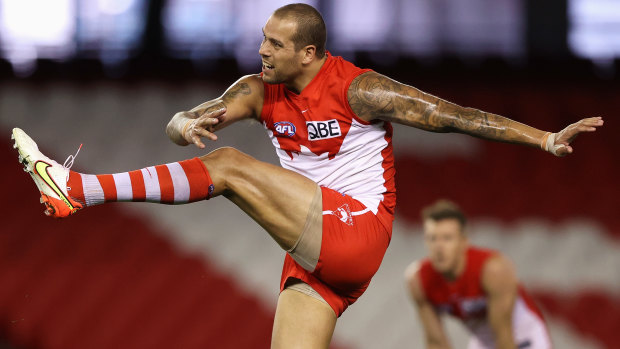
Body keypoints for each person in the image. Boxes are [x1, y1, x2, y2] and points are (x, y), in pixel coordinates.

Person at [12, 3, 601, 348]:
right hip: (316, 255)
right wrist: (181, 123)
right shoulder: (256, 89)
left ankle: (81, 190)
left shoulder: (357, 87)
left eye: (275, 44)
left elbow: (454, 117)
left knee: (228, 168)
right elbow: (189, 120)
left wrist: (544, 138)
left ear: (310, 54)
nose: (261, 50)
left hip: (358, 229)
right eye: (262, 39)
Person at [404, 200, 552, 349]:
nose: (439, 247)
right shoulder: (419, 281)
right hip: (484, 341)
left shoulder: (493, 271)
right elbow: (435, 341)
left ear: (463, 242)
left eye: (447, 238)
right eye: (432, 238)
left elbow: (504, 334)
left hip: (522, 334)